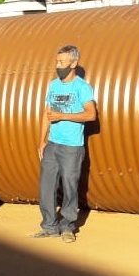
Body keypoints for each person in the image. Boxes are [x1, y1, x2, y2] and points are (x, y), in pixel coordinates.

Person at [33, 45, 96, 243]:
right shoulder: (53, 85)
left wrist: (63, 115)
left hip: (72, 147)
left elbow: (91, 114)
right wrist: (42, 141)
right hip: (52, 144)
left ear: (73, 63)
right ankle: (49, 226)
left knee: (70, 187)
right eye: (57, 62)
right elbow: (47, 114)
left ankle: (68, 226)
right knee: (46, 186)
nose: (58, 65)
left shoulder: (82, 87)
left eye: (62, 62)